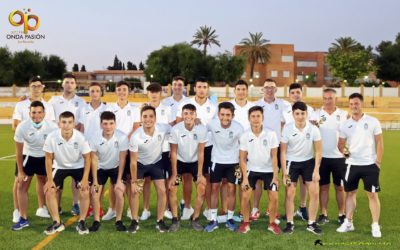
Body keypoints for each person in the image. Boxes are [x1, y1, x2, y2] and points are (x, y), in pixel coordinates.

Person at [336, 93, 383, 238]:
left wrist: (378, 162)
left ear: (361, 104)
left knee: (372, 194)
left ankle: (375, 225)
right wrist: (344, 151)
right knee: (350, 193)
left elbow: (380, 142)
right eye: (351, 104)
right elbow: (340, 145)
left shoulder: (373, 121)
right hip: (352, 164)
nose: (353, 106)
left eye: (356, 103)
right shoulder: (345, 124)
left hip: (370, 164)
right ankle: (349, 222)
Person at [11, 76, 55, 222]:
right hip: (26, 150)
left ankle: (41, 208)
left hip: (43, 153)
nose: (36, 88)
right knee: (20, 181)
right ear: (29, 87)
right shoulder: (21, 104)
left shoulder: (48, 105)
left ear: (43, 87)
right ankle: (17, 211)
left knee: (42, 179)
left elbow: (52, 129)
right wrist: (30, 133)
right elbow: (15, 125)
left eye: (38, 86)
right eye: (33, 86)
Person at [42, 111, 91, 235]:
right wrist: (49, 180)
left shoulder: (80, 137)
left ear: (74, 123)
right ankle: (57, 222)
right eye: (64, 122)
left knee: (85, 190)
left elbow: (88, 158)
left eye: (70, 122)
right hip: (59, 166)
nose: (66, 125)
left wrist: (85, 179)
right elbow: (48, 158)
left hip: (78, 166)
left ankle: (82, 221)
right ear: (59, 123)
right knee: (49, 190)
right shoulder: (52, 137)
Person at [176, 77, 217, 221]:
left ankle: (208, 208)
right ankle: (187, 207)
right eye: (199, 87)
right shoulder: (185, 103)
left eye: (204, 87)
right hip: (187, 146)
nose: (202, 90)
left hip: (207, 146)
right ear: (195, 88)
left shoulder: (213, 106)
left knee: (206, 179)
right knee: (187, 178)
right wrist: (192, 120)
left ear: (208, 89)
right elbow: (178, 122)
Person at [281, 101, 322, 235]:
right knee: (290, 193)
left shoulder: (313, 129)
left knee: (315, 193)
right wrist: (284, 173)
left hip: (308, 163)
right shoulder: (287, 128)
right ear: (293, 114)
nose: (300, 116)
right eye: (297, 113)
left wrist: (316, 170)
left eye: (302, 113)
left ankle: (311, 223)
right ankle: (289, 223)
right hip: (291, 163)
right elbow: (283, 152)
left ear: (307, 114)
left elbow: (318, 151)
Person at [237, 106, 281, 234]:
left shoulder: (271, 134)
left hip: (268, 170)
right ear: (249, 118)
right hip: (251, 170)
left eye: (258, 116)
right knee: (245, 196)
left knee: (274, 197)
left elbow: (274, 156)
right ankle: (245, 223)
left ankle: (272, 223)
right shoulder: (245, 135)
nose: (256, 119)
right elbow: (243, 159)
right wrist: (244, 178)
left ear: (263, 118)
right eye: (253, 116)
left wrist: (275, 176)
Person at [48, 73, 86, 216]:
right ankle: (57, 206)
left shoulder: (81, 102)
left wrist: (73, 135)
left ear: (75, 85)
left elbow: (81, 124)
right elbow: (51, 120)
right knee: (59, 176)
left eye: (72, 82)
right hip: (58, 143)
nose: (69, 84)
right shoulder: (53, 100)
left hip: (75, 143)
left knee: (77, 177)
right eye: (67, 82)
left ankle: (75, 204)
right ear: (62, 84)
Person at [128, 106, 171, 233]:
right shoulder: (136, 136)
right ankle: (134, 221)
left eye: (151, 116)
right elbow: (133, 162)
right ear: (141, 119)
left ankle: (160, 220)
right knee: (136, 191)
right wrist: (134, 181)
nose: (148, 119)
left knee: (162, 191)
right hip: (140, 165)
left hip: (156, 163)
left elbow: (177, 126)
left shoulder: (163, 128)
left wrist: (195, 121)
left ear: (155, 118)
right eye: (145, 116)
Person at [103, 81, 141, 221]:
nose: (122, 92)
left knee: (131, 180)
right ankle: (112, 209)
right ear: (116, 92)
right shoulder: (110, 109)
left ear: (128, 91)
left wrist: (125, 140)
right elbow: (108, 128)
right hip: (114, 148)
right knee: (114, 181)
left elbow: (137, 127)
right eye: (119, 89)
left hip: (130, 148)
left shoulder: (135, 109)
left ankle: (131, 209)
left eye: (124, 89)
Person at [204, 102, 244, 232]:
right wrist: (197, 121)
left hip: (234, 162)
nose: (225, 117)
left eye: (228, 115)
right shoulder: (212, 124)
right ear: (218, 114)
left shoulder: (238, 128)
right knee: (215, 188)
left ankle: (230, 219)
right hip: (216, 160)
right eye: (222, 114)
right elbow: (200, 130)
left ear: (232, 115)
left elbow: (243, 147)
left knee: (232, 189)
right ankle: (213, 219)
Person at [252, 78, 288, 221]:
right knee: (258, 180)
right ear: (262, 89)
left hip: (276, 146)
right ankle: (255, 208)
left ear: (276, 89)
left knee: (274, 176)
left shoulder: (283, 104)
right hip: (259, 145)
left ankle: (271, 208)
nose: (269, 90)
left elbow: (287, 122)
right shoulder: (257, 105)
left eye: (272, 87)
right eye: (266, 87)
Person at [169, 104, 208, 231]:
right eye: (186, 113)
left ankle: (195, 219)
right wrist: (174, 173)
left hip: (195, 162)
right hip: (179, 162)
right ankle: (175, 219)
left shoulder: (201, 129)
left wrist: (200, 174)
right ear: (182, 115)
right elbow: (173, 152)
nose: (188, 116)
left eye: (191, 113)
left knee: (202, 188)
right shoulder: (175, 129)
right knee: (172, 188)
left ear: (196, 115)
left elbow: (201, 152)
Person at [88, 111, 129, 232]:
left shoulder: (122, 137)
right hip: (101, 168)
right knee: (95, 192)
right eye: (105, 124)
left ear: (115, 124)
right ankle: (96, 221)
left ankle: (119, 220)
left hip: (116, 168)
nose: (108, 127)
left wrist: (119, 180)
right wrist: (95, 181)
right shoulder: (95, 137)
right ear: (101, 124)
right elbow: (94, 159)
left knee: (119, 190)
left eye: (111, 123)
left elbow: (122, 160)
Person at [314, 88, 348, 225]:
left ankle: (342, 214)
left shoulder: (344, 114)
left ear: (336, 99)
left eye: (330, 98)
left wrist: (348, 151)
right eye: (325, 98)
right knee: (324, 187)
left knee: (340, 187)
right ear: (323, 99)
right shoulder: (316, 114)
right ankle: (324, 214)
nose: (328, 100)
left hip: (339, 158)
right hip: (322, 158)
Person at [282, 83, 316, 221]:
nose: (296, 94)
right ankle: (289, 212)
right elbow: (282, 128)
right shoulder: (285, 111)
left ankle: (302, 207)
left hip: (306, 154)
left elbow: (314, 129)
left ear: (302, 93)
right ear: (289, 95)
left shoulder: (311, 110)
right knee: (289, 183)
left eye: (298, 92)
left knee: (304, 182)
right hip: (290, 154)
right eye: (293, 92)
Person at [141, 83, 174, 221]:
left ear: (160, 93)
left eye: (156, 92)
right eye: (151, 92)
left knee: (164, 181)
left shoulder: (167, 109)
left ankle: (165, 208)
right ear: (147, 94)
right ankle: (146, 209)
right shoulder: (142, 109)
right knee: (146, 181)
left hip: (164, 151)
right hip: (146, 150)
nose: (154, 95)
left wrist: (172, 150)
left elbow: (172, 129)